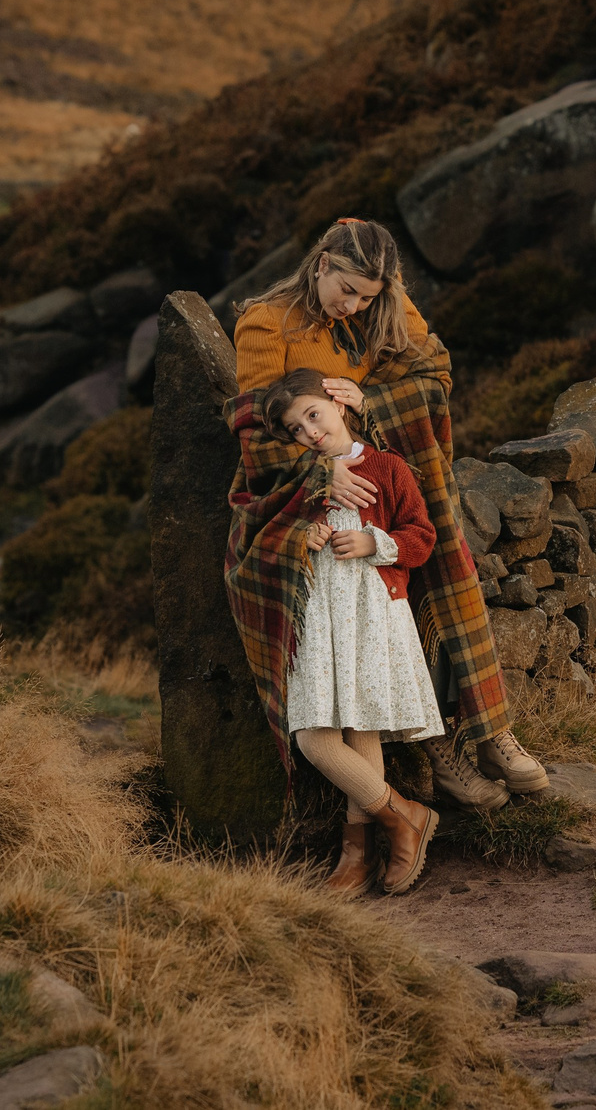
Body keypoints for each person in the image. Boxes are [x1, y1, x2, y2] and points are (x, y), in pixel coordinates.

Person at [228, 217, 549, 808]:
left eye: (367, 296)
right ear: (322, 263)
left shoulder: (380, 307)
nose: (353, 306)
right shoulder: (266, 321)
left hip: (383, 471)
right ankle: (438, 759)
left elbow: (434, 371)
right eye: (345, 289)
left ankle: (490, 731)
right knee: (371, 623)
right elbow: (256, 426)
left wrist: (369, 399)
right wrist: (321, 469)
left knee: (446, 565)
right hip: (305, 500)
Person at [258, 368, 446, 896]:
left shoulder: (387, 468)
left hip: (372, 610)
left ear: (339, 404)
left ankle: (356, 855)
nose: (310, 432)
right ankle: (403, 816)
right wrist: (303, 534)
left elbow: (422, 536)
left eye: (313, 415)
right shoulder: (301, 478)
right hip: (315, 617)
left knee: (359, 726)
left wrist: (373, 543)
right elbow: (274, 532)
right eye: (296, 429)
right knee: (315, 737)